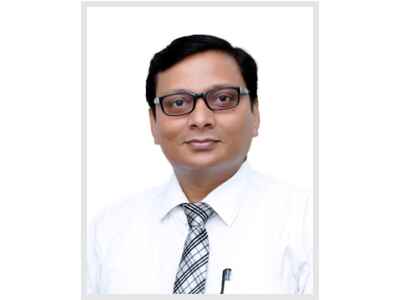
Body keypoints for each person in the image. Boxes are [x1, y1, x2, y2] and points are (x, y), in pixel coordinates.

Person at [87, 34, 313, 295]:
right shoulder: (107, 231)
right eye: (178, 103)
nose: (200, 119)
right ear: (153, 124)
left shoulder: (306, 223)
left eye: (223, 99)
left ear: (255, 114)